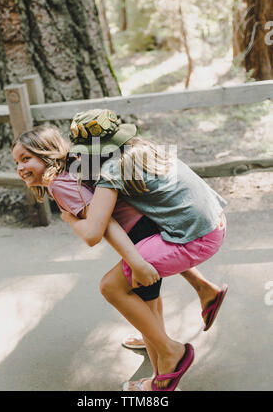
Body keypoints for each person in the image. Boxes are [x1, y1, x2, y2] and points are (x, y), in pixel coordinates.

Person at [12, 115, 228, 391]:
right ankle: (159, 339)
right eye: (17, 161)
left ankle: (165, 364)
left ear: (48, 153)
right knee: (148, 300)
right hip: (173, 223)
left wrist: (71, 220)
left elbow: (97, 230)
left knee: (117, 288)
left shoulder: (67, 180)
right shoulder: (104, 159)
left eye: (26, 158)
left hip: (155, 232)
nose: (20, 167)